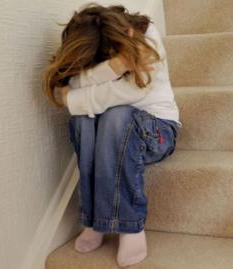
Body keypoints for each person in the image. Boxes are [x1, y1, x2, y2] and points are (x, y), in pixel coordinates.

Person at [42, 3, 181, 267]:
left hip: (158, 132)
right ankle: (96, 221)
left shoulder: (145, 35)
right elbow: (69, 83)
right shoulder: (91, 39)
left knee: (117, 115)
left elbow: (132, 92)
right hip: (112, 135)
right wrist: (115, 67)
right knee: (83, 119)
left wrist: (77, 97)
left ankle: (130, 226)